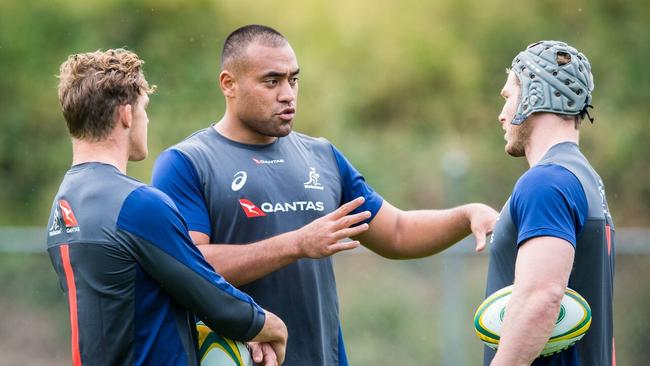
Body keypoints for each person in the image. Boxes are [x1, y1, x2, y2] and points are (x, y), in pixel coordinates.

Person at [152, 25, 498, 366]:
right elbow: (189, 267)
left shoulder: (322, 157)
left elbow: (396, 232)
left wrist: (465, 216)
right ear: (229, 84)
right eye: (271, 81)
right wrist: (297, 244)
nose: (287, 93)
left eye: (294, 79)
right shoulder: (187, 163)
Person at [46, 49, 287, 366]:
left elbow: (138, 302)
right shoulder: (136, 204)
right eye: (145, 108)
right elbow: (212, 297)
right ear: (126, 114)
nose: (147, 118)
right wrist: (271, 327)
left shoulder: (63, 204)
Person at [485, 40, 615, 365]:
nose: (502, 115)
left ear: (534, 94)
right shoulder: (586, 180)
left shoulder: (547, 181)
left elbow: (540, 300)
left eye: (508, 97)